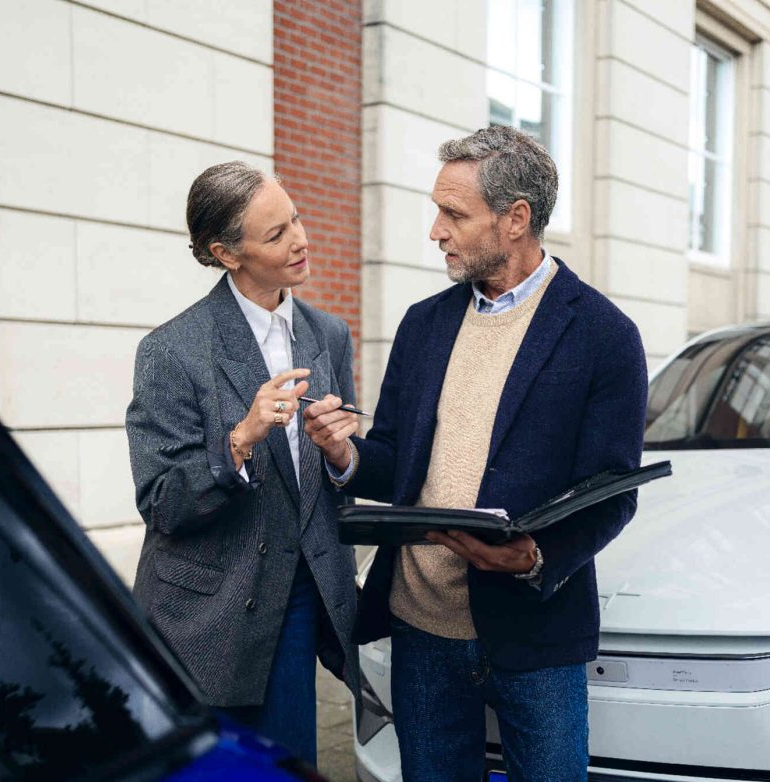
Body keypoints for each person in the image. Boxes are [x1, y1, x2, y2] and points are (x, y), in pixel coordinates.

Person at [304, 126, 648, 781]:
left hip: (536, 632)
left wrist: (536, 555)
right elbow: (393, 458)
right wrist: (343, 453)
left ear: (516, 219)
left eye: (454, 214)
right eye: (438, 211)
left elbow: (613, 490)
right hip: (420, 625)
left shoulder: (605, 336)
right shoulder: (422, 324)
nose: (436, 230)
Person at [125, 161, 359, 766]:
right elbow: (162, 503)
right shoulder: (170, 350)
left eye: (296, 219)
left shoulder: (329, 334)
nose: (301, 239)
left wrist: (340, 453)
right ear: (226, 253)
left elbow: (336, 479)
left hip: (299, 594)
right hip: (208, 608)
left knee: (287, 763)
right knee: (216, 770)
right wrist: (239, 441)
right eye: (277, 234)